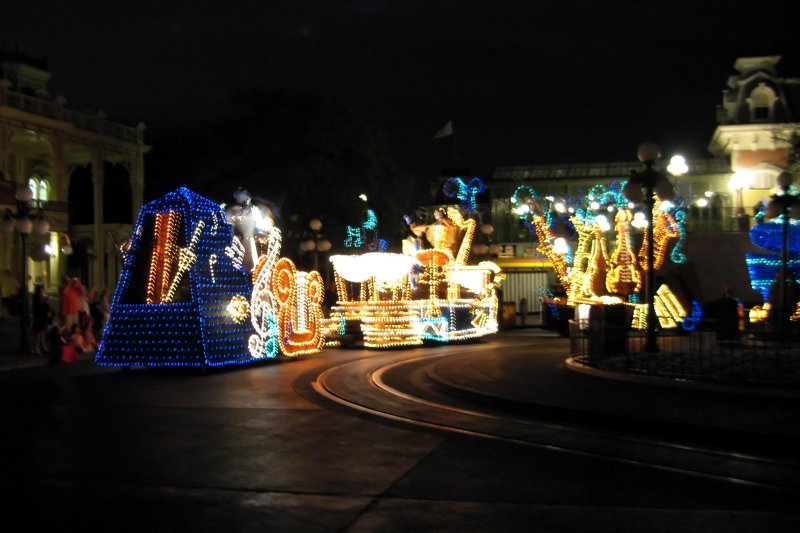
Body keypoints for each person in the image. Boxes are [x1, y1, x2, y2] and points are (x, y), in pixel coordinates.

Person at [32, 284, 53, 355]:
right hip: (39, 317)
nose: (43, 290)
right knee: (39, 332)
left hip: (43, 317)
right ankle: (36, 347)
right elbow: (40, 307)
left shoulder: (41, 297)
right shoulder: (37, 298)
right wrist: (46, 302)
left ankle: (42, 346)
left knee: (43, 332)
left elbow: (45, 306)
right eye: (42, 289)